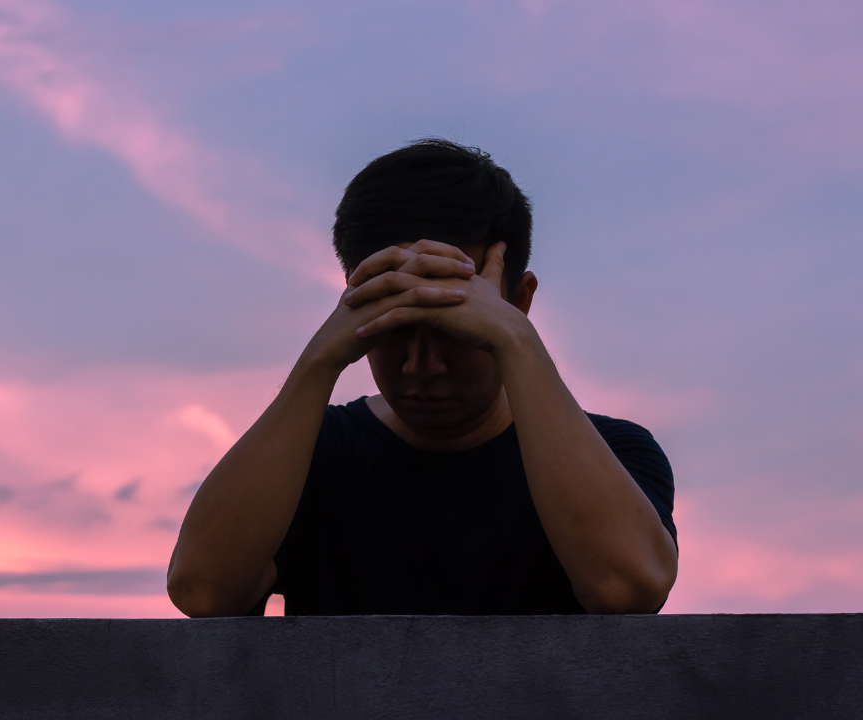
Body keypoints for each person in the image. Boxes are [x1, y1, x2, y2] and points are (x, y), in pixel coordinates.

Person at [166, 138, 678, 617]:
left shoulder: (616, 453)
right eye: (394, 327)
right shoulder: (310, 456)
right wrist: (319, 361)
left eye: (456, 329)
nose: (422, 366)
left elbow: (628, 589)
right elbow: (203, 590)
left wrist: (517, 341)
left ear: (518, 301)